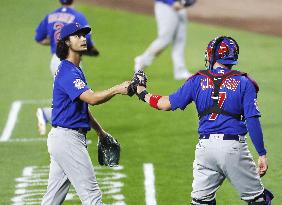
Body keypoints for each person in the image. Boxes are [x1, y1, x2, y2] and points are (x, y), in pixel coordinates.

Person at [133, 36, 273, 204]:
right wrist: (262, 153)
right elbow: (252, 120)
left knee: (201, 202)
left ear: (212, 56)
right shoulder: (245, 82)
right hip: (233, 149)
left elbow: (165, 104)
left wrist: (142, 92)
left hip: (205, 150)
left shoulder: (197, 80)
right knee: (259, 200)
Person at [41, 22, 129, 205]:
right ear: (66, 42)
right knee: (92, 197)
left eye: (84, 35)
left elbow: (81, 109)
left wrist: (100, 132)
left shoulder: (74, 69)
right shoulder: (68, 72)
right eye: (78, 36)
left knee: (52, 199)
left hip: (63, 139)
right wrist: (117, 89)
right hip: (68, 141)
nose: (83, 38)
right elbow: (92, 99)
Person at [35, 0, 99, 135]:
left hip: (55, 60)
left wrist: (56, 43)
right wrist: (92, 49)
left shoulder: (50, 16)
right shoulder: (78, 16)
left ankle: (54, 118)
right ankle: (50, 116)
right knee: (79, 96)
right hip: (69, 60)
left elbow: (39, 38)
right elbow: (88, 39)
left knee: (70, 97)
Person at [134, 0, 196, 80]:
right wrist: (171, 2)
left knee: (179, 40)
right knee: (164, 39)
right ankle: (142, 60)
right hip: (166, 6)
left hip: (180, 6)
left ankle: (180, 71)